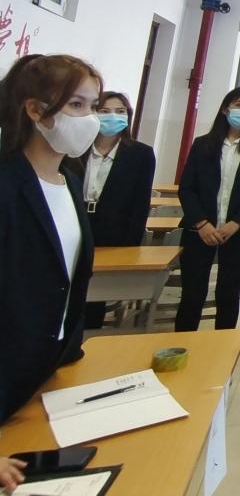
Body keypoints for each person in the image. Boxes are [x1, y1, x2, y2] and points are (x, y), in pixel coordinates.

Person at [0, 54, 101, 423]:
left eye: (93, 106)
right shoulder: (7, 185)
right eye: (76, 105)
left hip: (50, 362)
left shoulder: (69, 182)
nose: (90, 119)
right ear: (36, 111)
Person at [175, 87, 240, 332]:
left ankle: (223, 347)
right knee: (192, 294)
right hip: (199, 231)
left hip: (239, 232)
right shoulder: (203, 145)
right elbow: (187, 187)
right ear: (225, 109)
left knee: (228, 293)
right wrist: (201, 223)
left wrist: (236, 223)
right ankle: (183, 344)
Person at [66, 91, 155, 330]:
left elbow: (140, 203)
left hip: (113, 231)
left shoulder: (140, 154)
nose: (112, 116)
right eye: (104, 111)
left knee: (95, 295)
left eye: (120, 111)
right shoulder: (75, 148)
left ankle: (89, 334)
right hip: (76, 223)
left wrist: (130, 246)